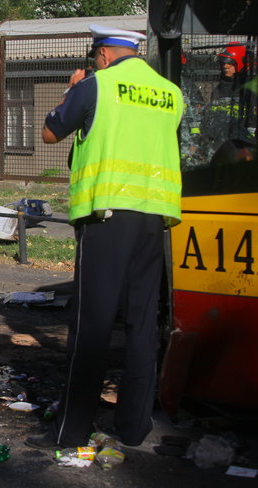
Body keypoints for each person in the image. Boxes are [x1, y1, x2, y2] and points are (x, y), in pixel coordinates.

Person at [26, 25, 183, 450]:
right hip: (155, 220)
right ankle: (134, 429)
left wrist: (70, 92)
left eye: (94, 57)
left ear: (105, 54)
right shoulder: (170, 92)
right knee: (143, 325)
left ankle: (71, 429)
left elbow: (50, 132)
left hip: (107, 217)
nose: (93, 63)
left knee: (91, 326)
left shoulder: (98, 84)